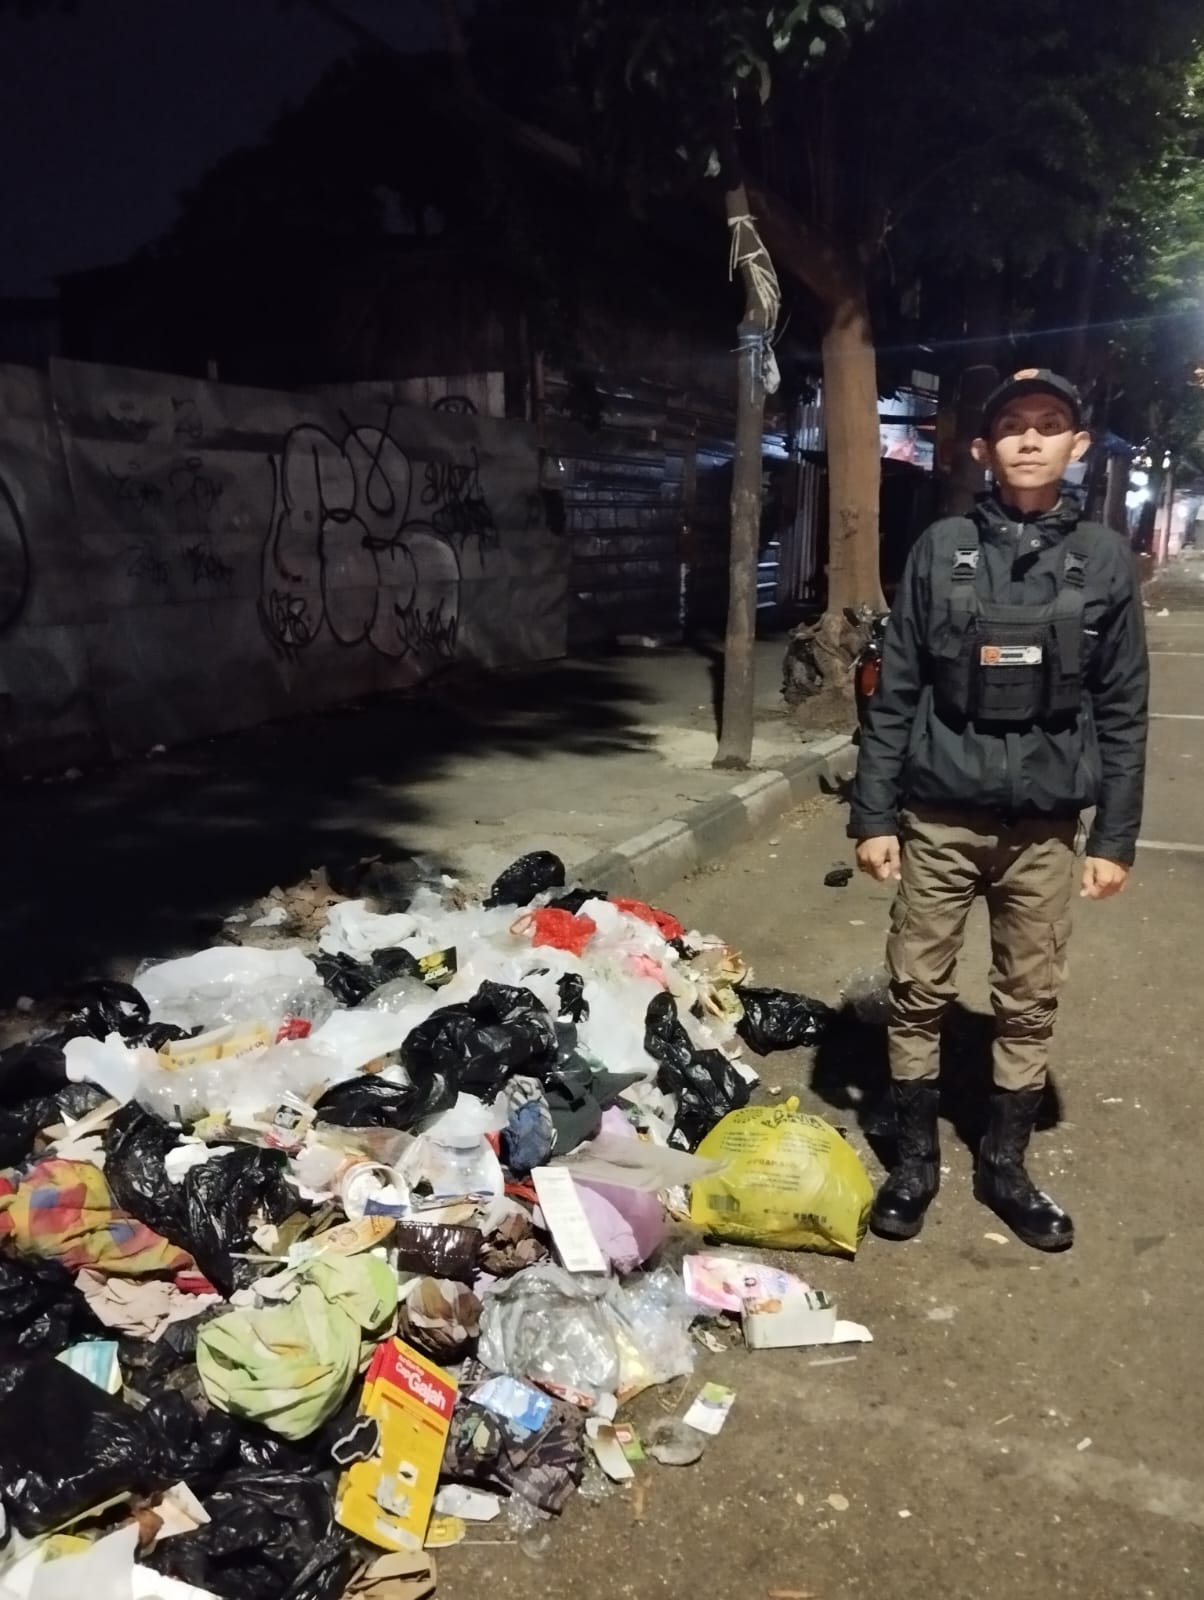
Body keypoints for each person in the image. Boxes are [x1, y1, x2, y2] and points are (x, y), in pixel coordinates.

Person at [848, 369, 1149, 1253]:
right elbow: (894, 691)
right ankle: (915, 1162)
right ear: (983, 450)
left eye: (1049, 424)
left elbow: (1124, 707)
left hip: (1047, 830)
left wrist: (1116, 837)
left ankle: (1006, 1166)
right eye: (1011, 426)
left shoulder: (1102, 563)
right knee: (916, 991)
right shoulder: (940, 549)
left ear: (1076, 446)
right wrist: (872, 817)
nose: (1028, 439)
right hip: (940, 819)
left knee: (1029, 997)